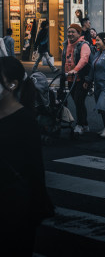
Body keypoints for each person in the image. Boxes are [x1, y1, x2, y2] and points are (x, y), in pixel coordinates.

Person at [0, 56, 54, 255]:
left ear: (12, 84)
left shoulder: (24, 120)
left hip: (15, 205)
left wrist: (37, 204)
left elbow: (35, 167)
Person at [62, 23, 92, 134]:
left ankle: (80, 125)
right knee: (77, 102)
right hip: (70, 78)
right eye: (68, 32)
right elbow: (64, 61)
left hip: (82, 79)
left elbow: (84, 59)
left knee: (79, 101)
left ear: (79, 33)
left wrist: (76, 69)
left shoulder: (83, 45)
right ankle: (85, 124)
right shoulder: (66, 44)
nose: (70, 34)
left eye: (73, 32)